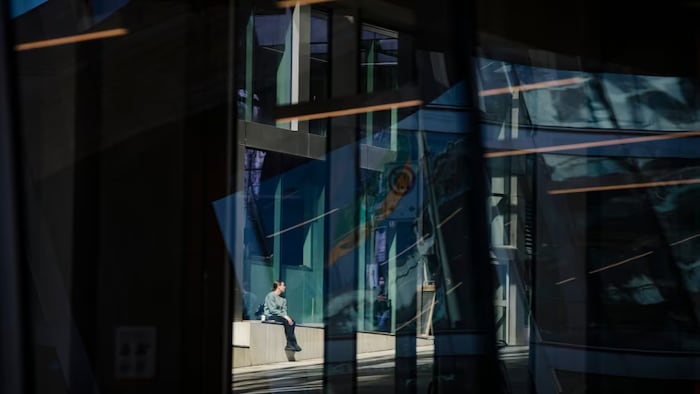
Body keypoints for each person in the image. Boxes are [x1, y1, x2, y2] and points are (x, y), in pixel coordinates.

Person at [264, 280, 302, 352]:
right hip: (271, 315)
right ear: (278, 286)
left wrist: (287, 316)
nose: (285, 287)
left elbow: (284, 310)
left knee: (292, 322)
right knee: (286, 320)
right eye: (283, 285)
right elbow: (272, 310)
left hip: (280, 316)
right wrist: (285, 317)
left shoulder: (283, 299)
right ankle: (293, 343)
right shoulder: (271, 295)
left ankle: (290, 344)